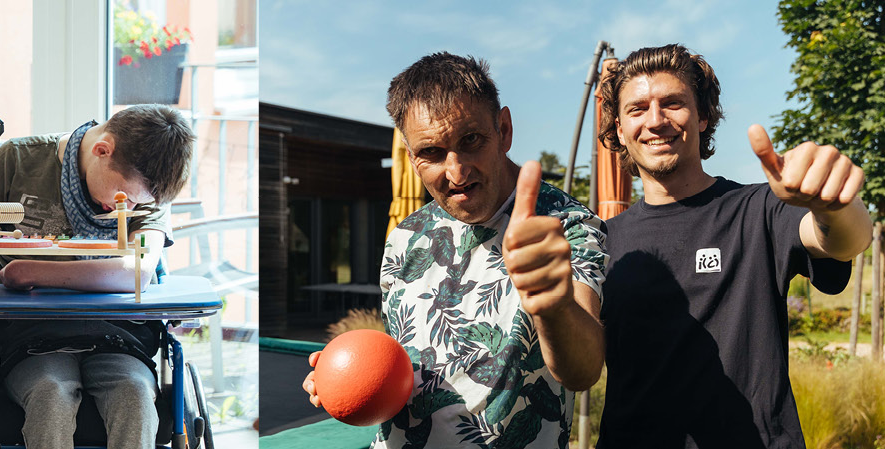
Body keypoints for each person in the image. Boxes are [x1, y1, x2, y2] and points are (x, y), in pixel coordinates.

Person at [303, 52, 606, 448]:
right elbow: (409, 361)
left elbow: (583, 371)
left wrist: (554, 306)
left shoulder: (566, 226)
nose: (457, 172)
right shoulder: (405, 237)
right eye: (431, 152)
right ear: (412, 157)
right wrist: (348, 377)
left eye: (471, 141)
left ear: (504, 129)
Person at [595, 44, 870, 447]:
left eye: (673, 103)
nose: (655, 121)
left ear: (703, 116)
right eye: (637, 109)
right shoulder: (602, 241)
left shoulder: (760, 210)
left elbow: (844, 241)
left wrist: (836, 205)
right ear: (619, 129)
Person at [0, 104, 195, 449]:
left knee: (136, 397)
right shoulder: (18, 161)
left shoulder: (146, 190)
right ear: (102, 150)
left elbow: (137, 272)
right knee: (51, 393)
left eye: (142, 205)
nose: (126, 208)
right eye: (121, 199)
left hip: (117, 338)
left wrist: (31, 271)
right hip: (31, 338)